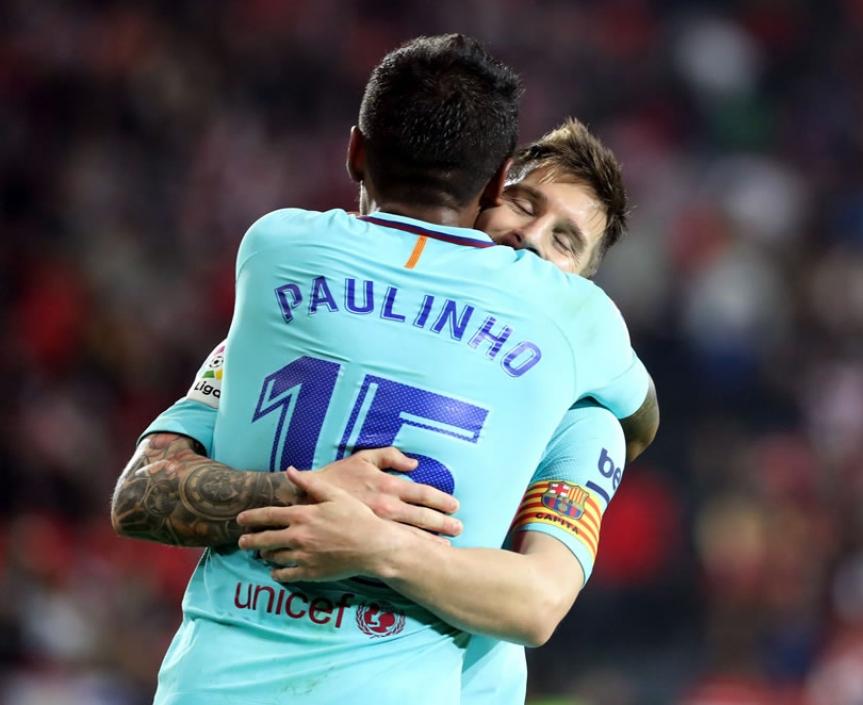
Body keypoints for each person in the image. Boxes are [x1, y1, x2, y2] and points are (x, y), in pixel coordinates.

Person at [111, 34, 657, 704]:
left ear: (583, 286)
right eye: (523, 203)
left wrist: (376, 543)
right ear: (486, 186)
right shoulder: (277, 333)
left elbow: (540, 598)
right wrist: (303, 496)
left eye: (565, 239)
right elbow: (140, 492)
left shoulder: (580, 418)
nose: (529, 240)